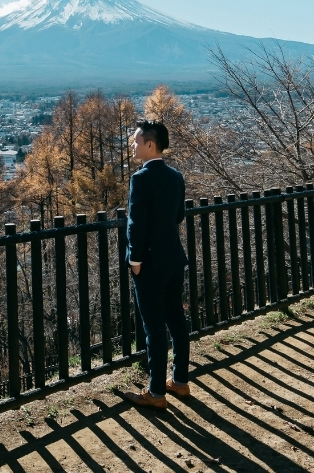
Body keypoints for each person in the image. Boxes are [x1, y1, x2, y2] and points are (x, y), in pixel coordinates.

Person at [121, 119, 190, 409]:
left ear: (150, 144)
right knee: (176, 319)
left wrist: (134, 259)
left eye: (136, 141)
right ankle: (180, 381)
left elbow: (135, 223)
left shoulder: (141, 178)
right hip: (174, 256)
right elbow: (178, 216)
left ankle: (156, 393)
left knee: (153, 328)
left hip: (148, 261)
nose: (133, 146)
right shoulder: (175, 176)